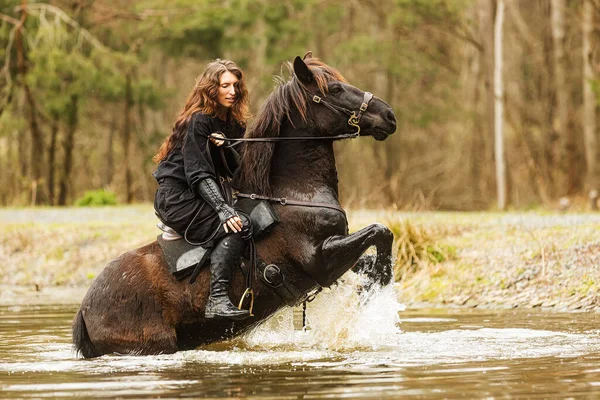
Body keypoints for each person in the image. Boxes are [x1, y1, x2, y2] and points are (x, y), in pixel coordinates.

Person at [152, 59, 252, 320]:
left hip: (201, 195)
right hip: (177, 198)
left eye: (236, 85)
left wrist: (226, 146)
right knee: (238, 224)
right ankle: (217, 300)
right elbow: (197, 174)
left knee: (250, 221)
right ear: (211, 89)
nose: (232, 91)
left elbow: (236, 171)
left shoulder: (233, 124)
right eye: (225, 85)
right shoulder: (199, 120)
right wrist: (223, 210)